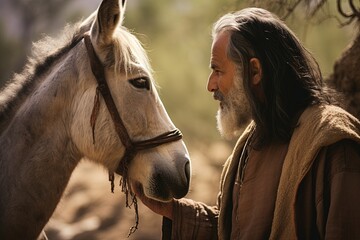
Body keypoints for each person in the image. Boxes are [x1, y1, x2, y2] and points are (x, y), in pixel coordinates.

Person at [133, 7, 360, 239]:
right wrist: (173, 212)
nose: (210, 85)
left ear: (254, 71)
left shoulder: (332, 145)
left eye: (218, 70)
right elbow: (232, 232)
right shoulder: (250, 145)